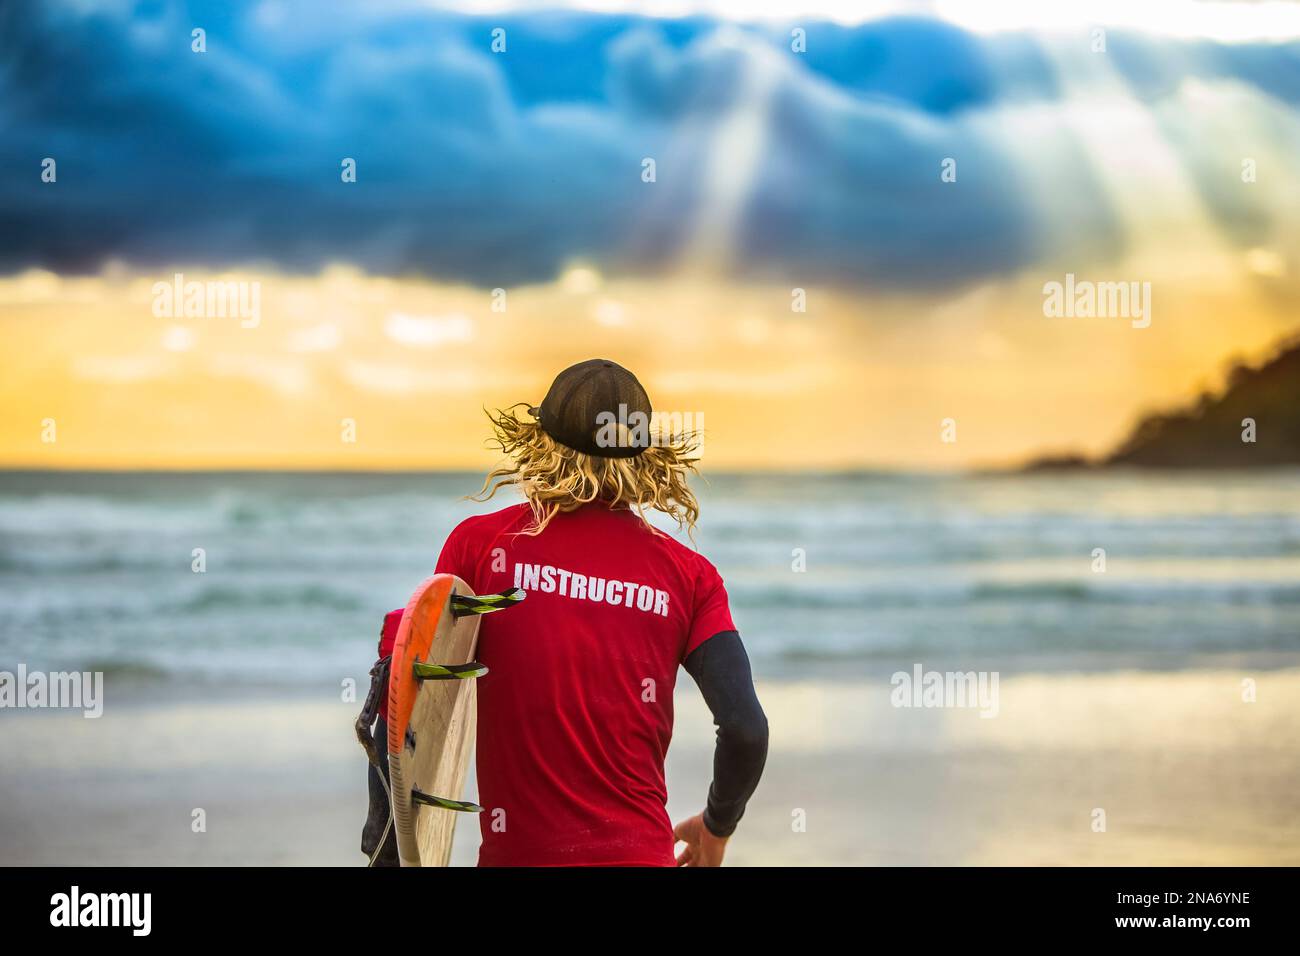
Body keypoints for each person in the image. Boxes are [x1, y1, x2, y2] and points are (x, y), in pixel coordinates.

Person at [363, 359, 767, 866]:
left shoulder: (480, 548)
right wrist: (716, 825)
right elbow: (746, 729)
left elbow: (405, 696)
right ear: (644, 455)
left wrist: (387, 847)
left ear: (542, 443)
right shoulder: (690, 578)